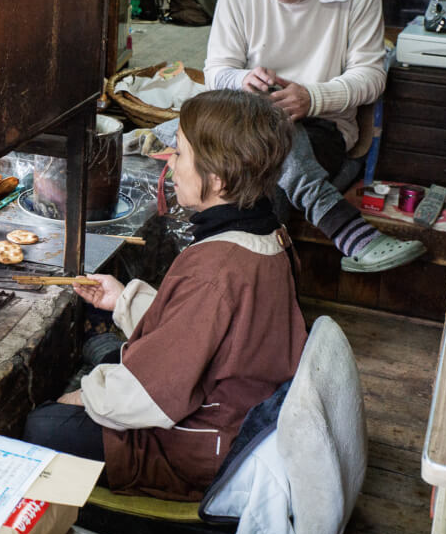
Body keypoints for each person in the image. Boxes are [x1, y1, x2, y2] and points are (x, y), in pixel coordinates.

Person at [22, 90, 307, 501]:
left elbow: (151, 394)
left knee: (46, 425)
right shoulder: (266, 232)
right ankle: (101, 358)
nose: (170, 162)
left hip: (205, 445)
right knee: (106, 353)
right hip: (238, 401)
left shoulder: (217, 269)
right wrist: (124, 300)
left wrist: (83, 397)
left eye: (180, 153)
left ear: (218, 178)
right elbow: (207, 330)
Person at [205, 0, 425, 273]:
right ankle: (350, 234)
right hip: (252, 123)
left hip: (325, 126)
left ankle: (254, 302)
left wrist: (312, 97)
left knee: (266, 173)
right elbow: (216, 73)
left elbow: (372, 76)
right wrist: (244, 80)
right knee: (253, 139)